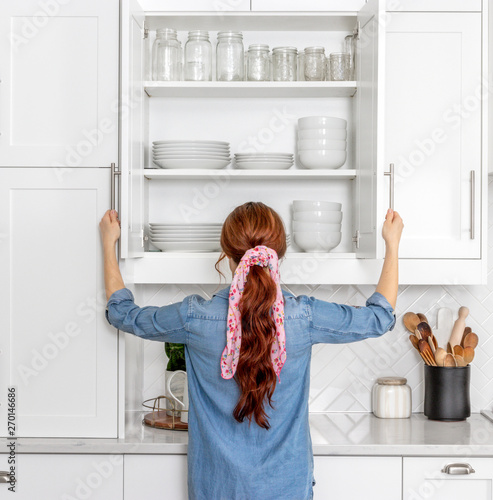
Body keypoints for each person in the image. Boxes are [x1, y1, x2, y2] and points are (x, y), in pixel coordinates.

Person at [100, 202, 403, 500]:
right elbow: (380, 317)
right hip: (287, 488)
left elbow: (122, 313)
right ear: (279, 256)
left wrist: (108, 245)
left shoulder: (193, 317)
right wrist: (391, 245)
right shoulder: (305, 316)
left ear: (226, 256)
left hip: (214, 489)